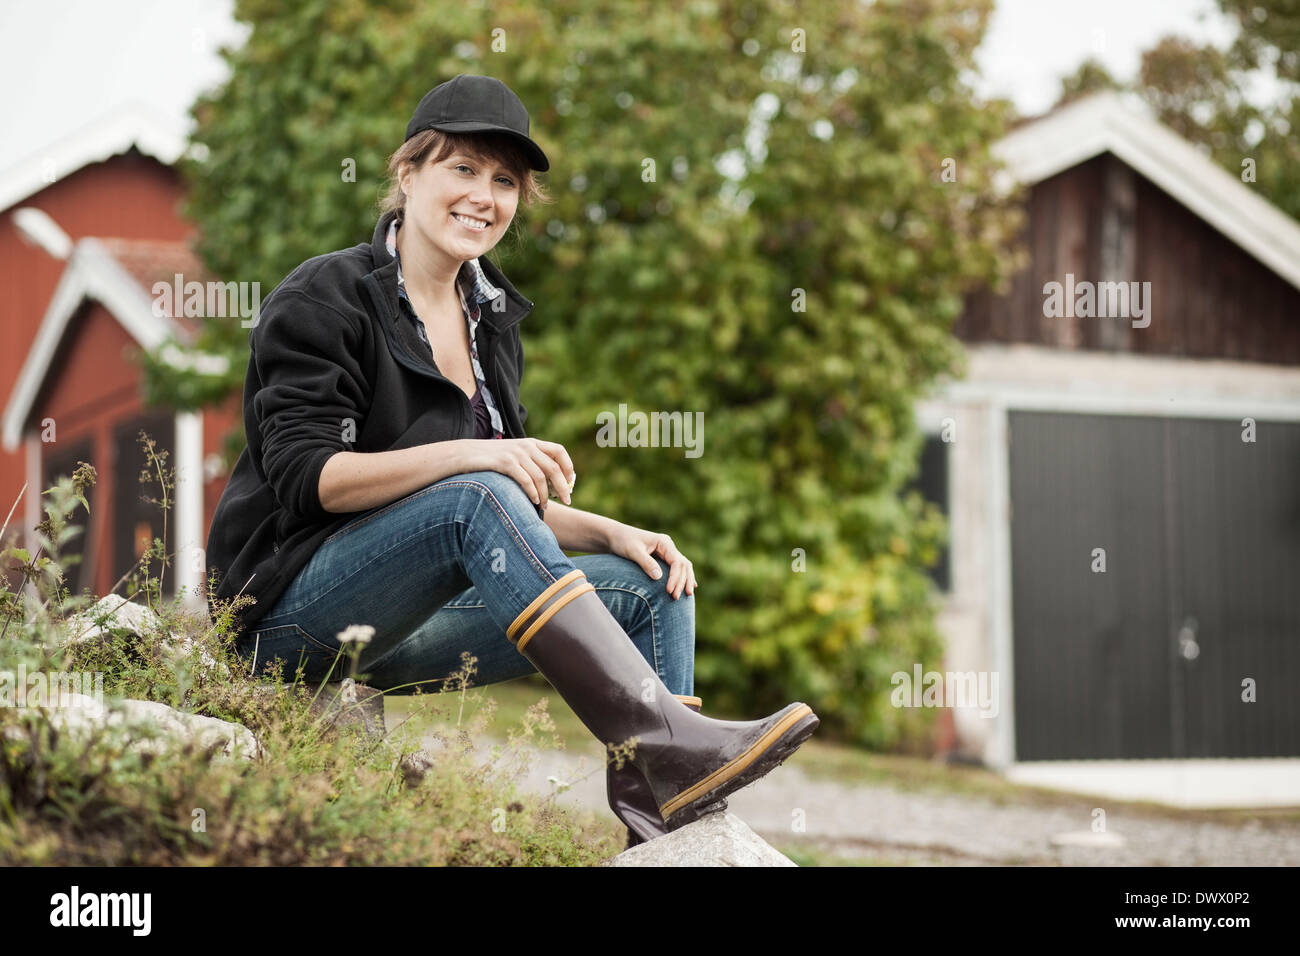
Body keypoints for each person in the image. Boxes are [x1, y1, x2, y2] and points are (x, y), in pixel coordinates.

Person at [205, 73, 818, 847]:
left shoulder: (490, 314)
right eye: (461, 169)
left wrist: (608, 532)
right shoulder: (328, 295)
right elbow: (310, 478)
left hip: (401, 621)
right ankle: (669, 741)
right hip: (287, 616)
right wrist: (471, 456)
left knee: (654, 582)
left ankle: (665, 820)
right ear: (408, 173)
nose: (484, 197)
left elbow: (496, 502)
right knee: (475, 490)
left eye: (504, 181)